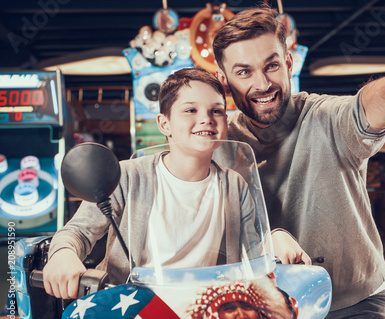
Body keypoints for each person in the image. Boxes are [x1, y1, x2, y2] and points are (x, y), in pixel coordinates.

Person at [212, 5, 385, 319]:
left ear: (287, 63)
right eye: (243, 72)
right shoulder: (215, 140)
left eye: (271, 65)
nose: (262, 83)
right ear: (224, 80)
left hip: (348, 305)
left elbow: (361, 111)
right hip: (260, 307)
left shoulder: (324, 118)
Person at [43, 67, 258, 299]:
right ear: (164, 124)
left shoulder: (235, 184)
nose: (206, 118)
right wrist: (63, 254)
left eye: (216, 110)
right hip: (130, 303)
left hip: (202, 306)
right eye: (190, 110)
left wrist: (276, 238)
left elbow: (254, 253)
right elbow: (77, 231)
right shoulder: (127, 175)